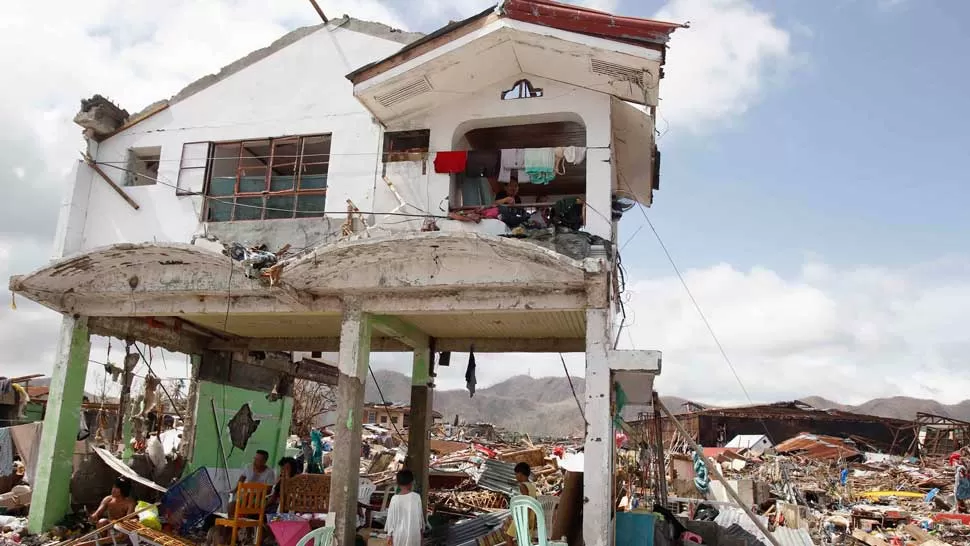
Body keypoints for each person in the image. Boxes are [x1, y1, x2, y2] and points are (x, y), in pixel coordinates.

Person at [385, 469, 424, 546]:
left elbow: (390, 518)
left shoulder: (394, 499)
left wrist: (389, 534)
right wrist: (421, 533)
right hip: (414, 534)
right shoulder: (416, 497)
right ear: (412, 482)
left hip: (399, 535)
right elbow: (420, 518)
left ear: (397, 483)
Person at [504, 463, 538, 546]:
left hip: (524, 516)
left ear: (521, 474)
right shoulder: (532, 485)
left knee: (508, 536)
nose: (515, 476)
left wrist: (525, 518)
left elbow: (527, 502)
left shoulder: (522, 486)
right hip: (532, 515)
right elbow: (535, 501)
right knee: (524, 539)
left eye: (516, 474)